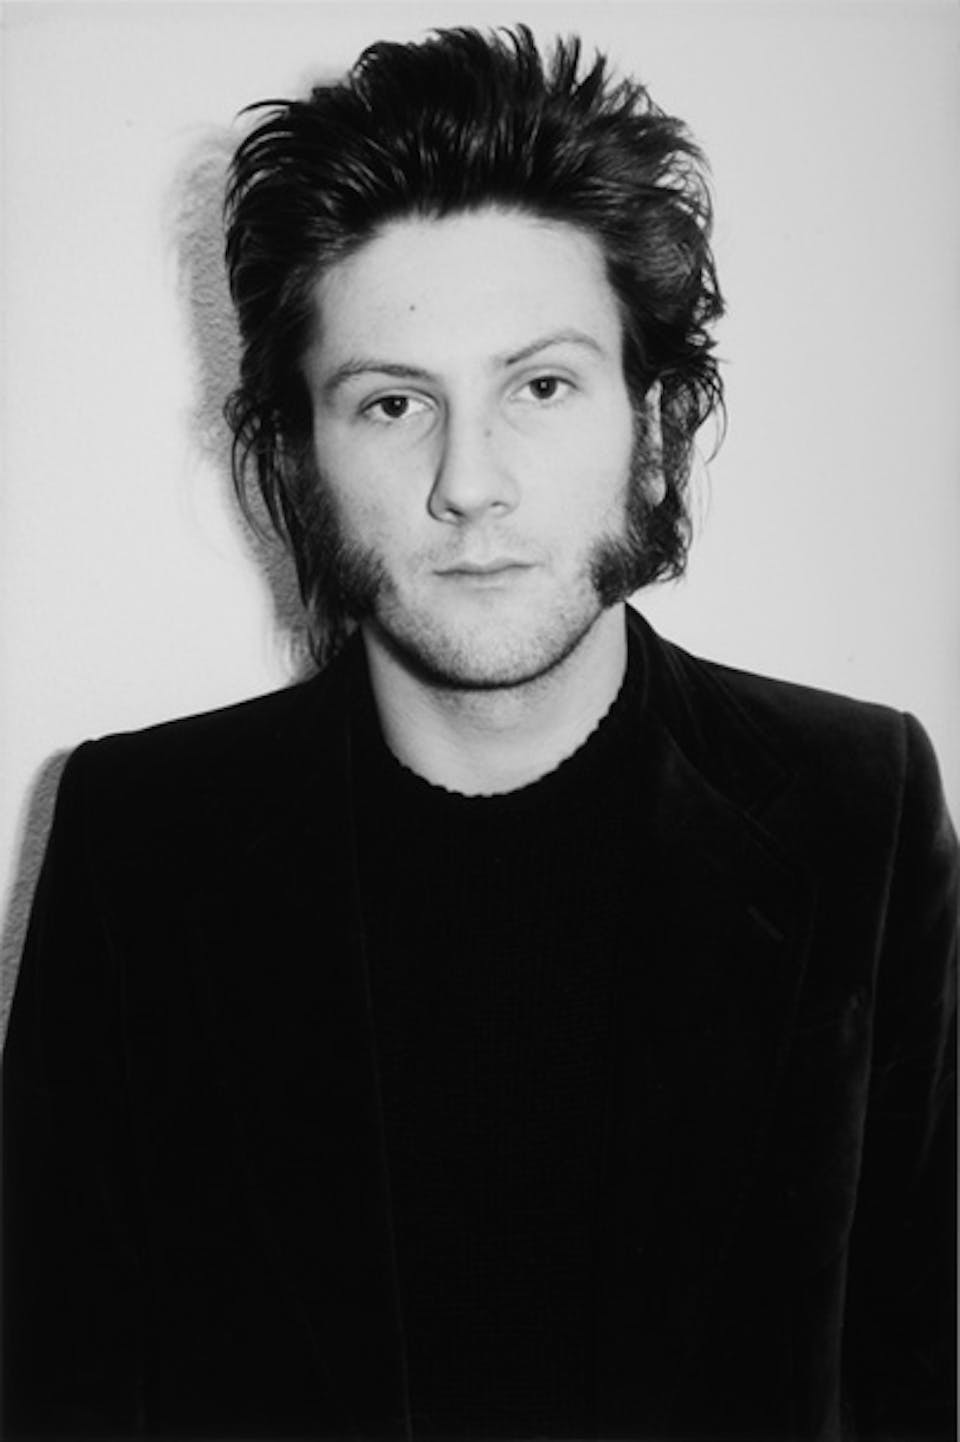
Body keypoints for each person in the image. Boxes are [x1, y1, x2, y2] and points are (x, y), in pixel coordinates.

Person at [2, 24, 956, 1442]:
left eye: (541, 385)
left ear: (654, 424)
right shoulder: (133, 840)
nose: (469, 481)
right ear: (295, 460)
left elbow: (918, 1374)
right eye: (394, 402)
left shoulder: (857, 806)